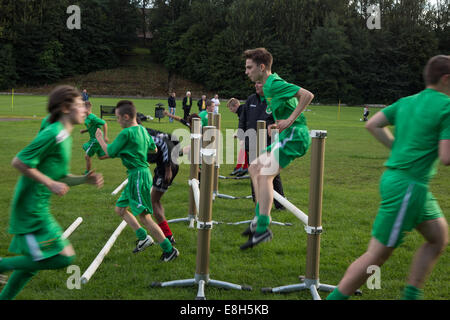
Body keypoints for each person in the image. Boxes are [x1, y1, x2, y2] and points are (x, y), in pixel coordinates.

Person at [326, 55, 450, 300]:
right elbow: (446, 157)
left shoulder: (407, 101)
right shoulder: (447, 107)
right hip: (408, 188)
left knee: (438, 238)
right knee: (376, 255)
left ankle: (411, 296)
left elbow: (372, 124)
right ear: (446, 79)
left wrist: (396, 148)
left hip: (407, 184)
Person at [0, 85, 104, 300]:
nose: (85, 109)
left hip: (38, 205)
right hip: (31, 209)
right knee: (63, 257)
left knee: (31, 265)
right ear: (66, 108)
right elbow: (19, 161)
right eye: (80, 105)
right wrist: (49, 183)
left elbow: (61, 177)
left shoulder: (65, 136)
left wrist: (85, 179)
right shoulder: (54, 133)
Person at [240, 48, 314, 250]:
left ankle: (263, 227)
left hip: (296, 136)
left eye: (249, 67)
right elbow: (288, 104)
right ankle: (258, 220)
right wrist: (278, 124)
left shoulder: (274, 83)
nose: (246, 72)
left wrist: (290, 120)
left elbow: (307, 95)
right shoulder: (269, 85)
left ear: (262, 67)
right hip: (287, 134)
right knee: (254, 167)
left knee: (265, 174)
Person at [95, 100, 179, 262]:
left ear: (126, 117)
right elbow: (153, 149)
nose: (118, 121)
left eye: (118, 118)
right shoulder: (141, 129)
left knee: (145, 217)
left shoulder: (126, 133)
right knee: (120, 209)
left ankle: (169, 250)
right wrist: (132, 151)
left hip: (138, 177)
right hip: (137, 175)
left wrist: (100, 138)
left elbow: (110, 151)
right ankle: (143, 238)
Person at [237, 82, 286, 209]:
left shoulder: (274, 101)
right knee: (254, 171)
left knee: (272, 172)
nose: (256, 86)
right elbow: (242, 119)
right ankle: (257, 203)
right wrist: (241, 136)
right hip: (251, 141)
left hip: (268, 143)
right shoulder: (251, 99)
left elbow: (281, 120)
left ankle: (280, 204)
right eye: (255, 83)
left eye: (259, 83)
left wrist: (275, 126)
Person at [80, 101, 109, 174]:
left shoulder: (92, 117)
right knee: (101, 157)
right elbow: (92, 127)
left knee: (87, 156)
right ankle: (117, 153)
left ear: (87, 108)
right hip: (94, 139)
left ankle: (87, 172)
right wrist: (85, 130)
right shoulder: (87, 118)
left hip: (96, 139)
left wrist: (105, 136)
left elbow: (104, 123)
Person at [227, 98, 249, 176]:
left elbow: (246, 123)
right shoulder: (241, 110)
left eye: (231, 108)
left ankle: (243, 167)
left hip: (251, 131)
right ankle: (241, 167)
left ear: (236, 105)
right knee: (244, 148)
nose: (230, 110)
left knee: (244, 148)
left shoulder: (243, 110)